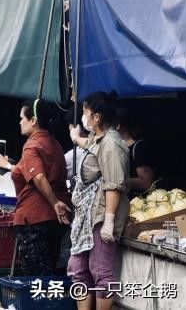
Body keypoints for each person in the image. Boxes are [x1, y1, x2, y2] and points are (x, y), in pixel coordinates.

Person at [0, 99, 71, 276]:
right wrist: (8, 165)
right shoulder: (54, 144)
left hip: (35, 219)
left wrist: (54, 203)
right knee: (50, 269)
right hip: (55, 219)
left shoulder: (32, 145)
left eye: (22, 118)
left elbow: (38, 176)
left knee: (37, 275)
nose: (20, 122)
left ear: (33, 120)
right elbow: (28, 172)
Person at [68, 91, 129, 310]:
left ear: (97, 117)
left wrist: (109, 222)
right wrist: (76, 139)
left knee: (101, 271)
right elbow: (90, 144)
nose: (83, 117)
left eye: (85, 112)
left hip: (101, 215)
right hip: (87, 216)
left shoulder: (112, 144)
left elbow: (114, 184)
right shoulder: (99, 138)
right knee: (78, 269)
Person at [115, 106, 158, 197]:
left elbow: (146, 182)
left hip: (141, 204)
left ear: (117, 125)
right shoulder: (117, 147)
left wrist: (118, 181)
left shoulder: (139, 148)